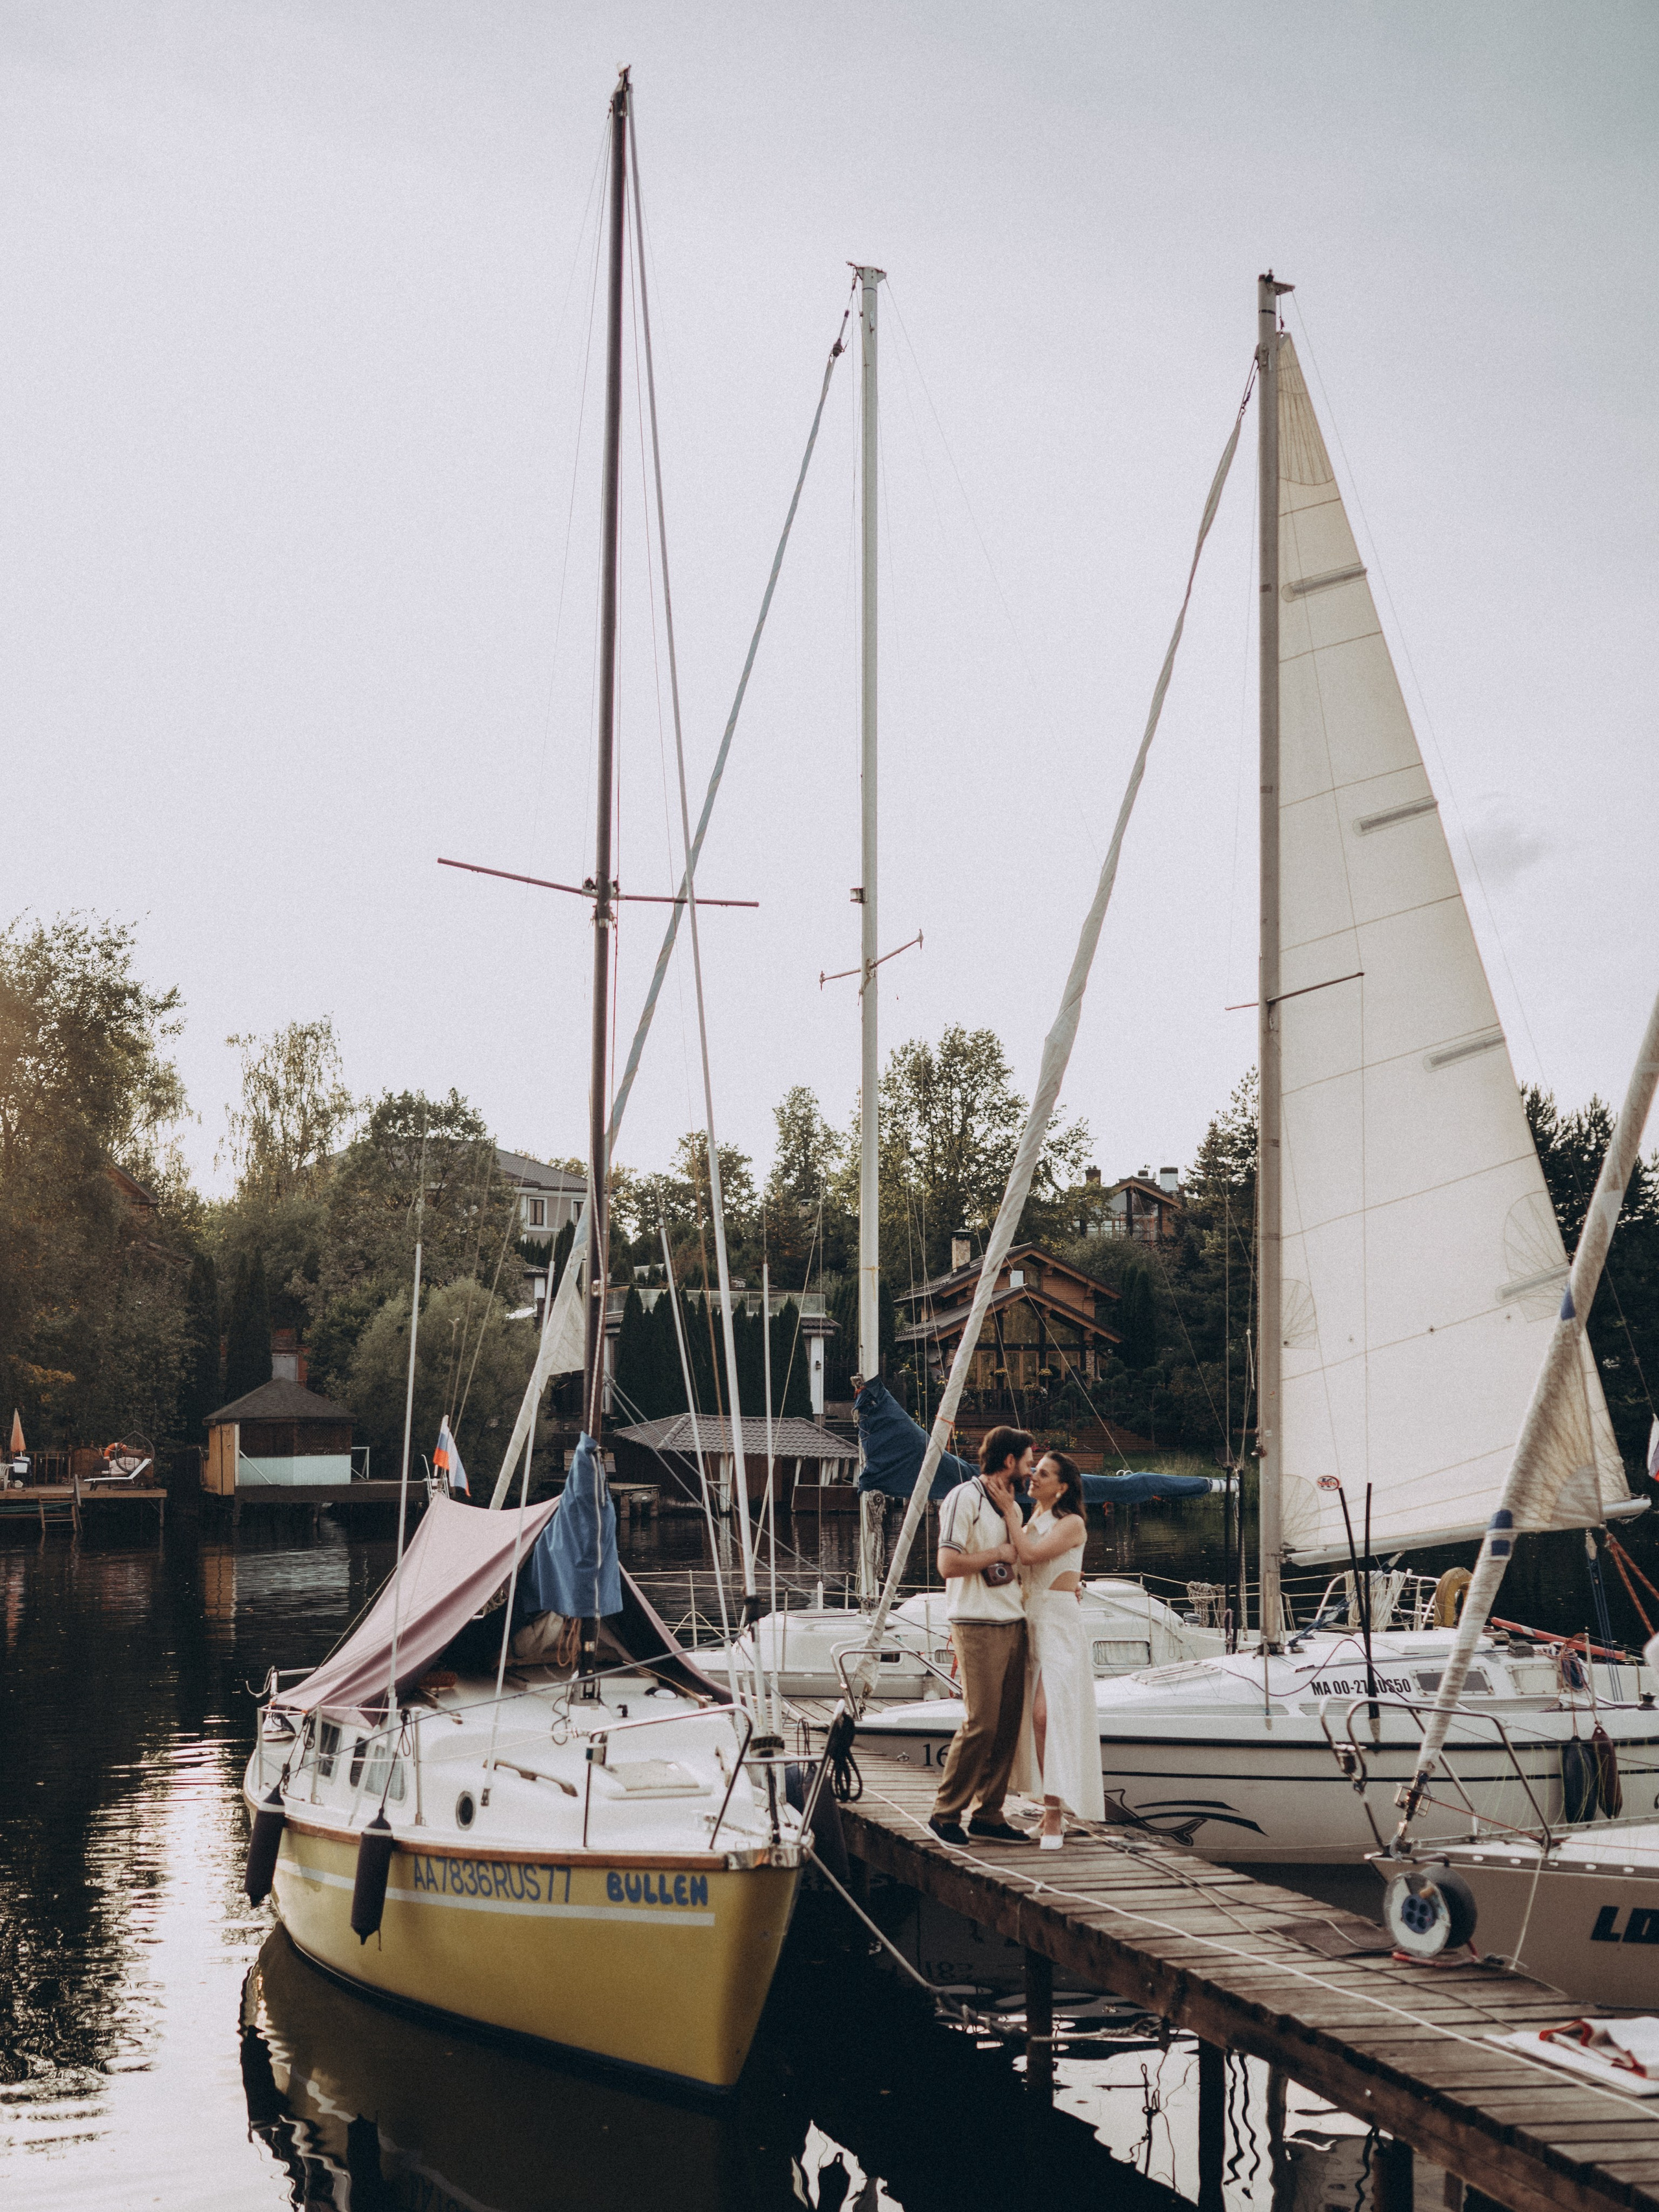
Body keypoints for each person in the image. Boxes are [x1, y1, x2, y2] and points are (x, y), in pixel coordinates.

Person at [927, 1426, 1035, 1847]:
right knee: (981, 1723)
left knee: (1007, 1724)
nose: (1030, 1469)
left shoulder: (1012, 1507)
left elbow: (1021, 1559)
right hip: (975, 1622)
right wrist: (997, 1553)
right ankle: (945, 1813)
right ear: (1009, 1461)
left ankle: (989, 1813)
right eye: (1027, 1460)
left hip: (1012, 1620)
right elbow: (948, 1564)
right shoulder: (964, 1497)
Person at [1003, 1450, 1105, 1845]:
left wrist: (1008, 1511)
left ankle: (1053, 1816)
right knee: (1035, 1719)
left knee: (1048, 1716)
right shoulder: (1035, 1520)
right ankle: (1050, 1811)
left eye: (1043, 1474)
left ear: (1062, 1487)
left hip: (1059, 1625)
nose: (1033, 1476)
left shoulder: (1072, 1523)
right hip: (1032, 1622)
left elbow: (1029, 1555)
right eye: (1035, 1471)